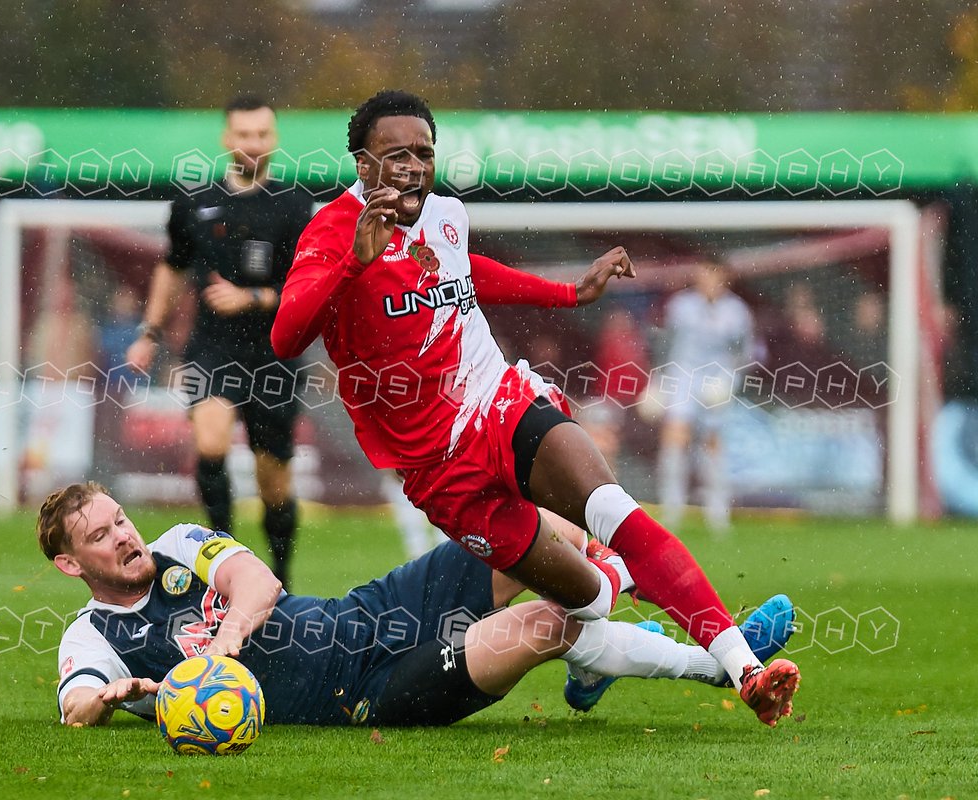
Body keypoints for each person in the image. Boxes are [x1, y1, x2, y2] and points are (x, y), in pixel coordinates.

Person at [270, 90, 800, 726]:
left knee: (614, 510)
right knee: (591, 599)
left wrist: (569, 291)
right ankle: (615, 647)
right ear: (362, 164)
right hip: (438, 469)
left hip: (499, 402)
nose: (413, 167)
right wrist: (352, 265)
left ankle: (744, 670)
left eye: (424, 153)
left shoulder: (444, 215)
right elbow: (285, 336)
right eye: (395, 155)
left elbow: (466, 273)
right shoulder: (331, 232)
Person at [38, 482, 794, 727]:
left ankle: (655, 647)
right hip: (370, 692)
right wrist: (121, 696)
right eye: (101, 537)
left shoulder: (175, 540)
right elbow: (75, 702)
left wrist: (226, 640)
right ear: (72, 563)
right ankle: (722, 663)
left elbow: (257, 584)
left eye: (119, 519)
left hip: (368, 613)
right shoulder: (93, 634)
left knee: (527, 527)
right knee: (549, 621)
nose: (124, 536)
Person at [125, 95, 314, 585]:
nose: (254, 143)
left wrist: (252, 297)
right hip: (213, 350)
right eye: (244, 134)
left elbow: (311, 286)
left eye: (262, 135)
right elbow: (172, 268)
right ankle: (225, 563)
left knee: (273, 481)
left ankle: (281, 577)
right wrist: (149, 333)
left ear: (273, 139)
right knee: (209, 442)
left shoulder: (295, 206)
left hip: (276, 353)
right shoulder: (195, 204)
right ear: (227, 138)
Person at [656, 260, 755, 534]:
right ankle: (671, 509)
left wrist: (730, 383)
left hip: (717, 380)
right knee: (675, 438)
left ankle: (717, 514)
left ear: (724, 276)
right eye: (703, 272)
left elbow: (745, 353)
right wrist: (658, 380)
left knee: (713, 443)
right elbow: (665, 344)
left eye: (713, 273)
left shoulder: (737, 311)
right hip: (683, 375)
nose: (708, 278)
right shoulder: (681, 306)